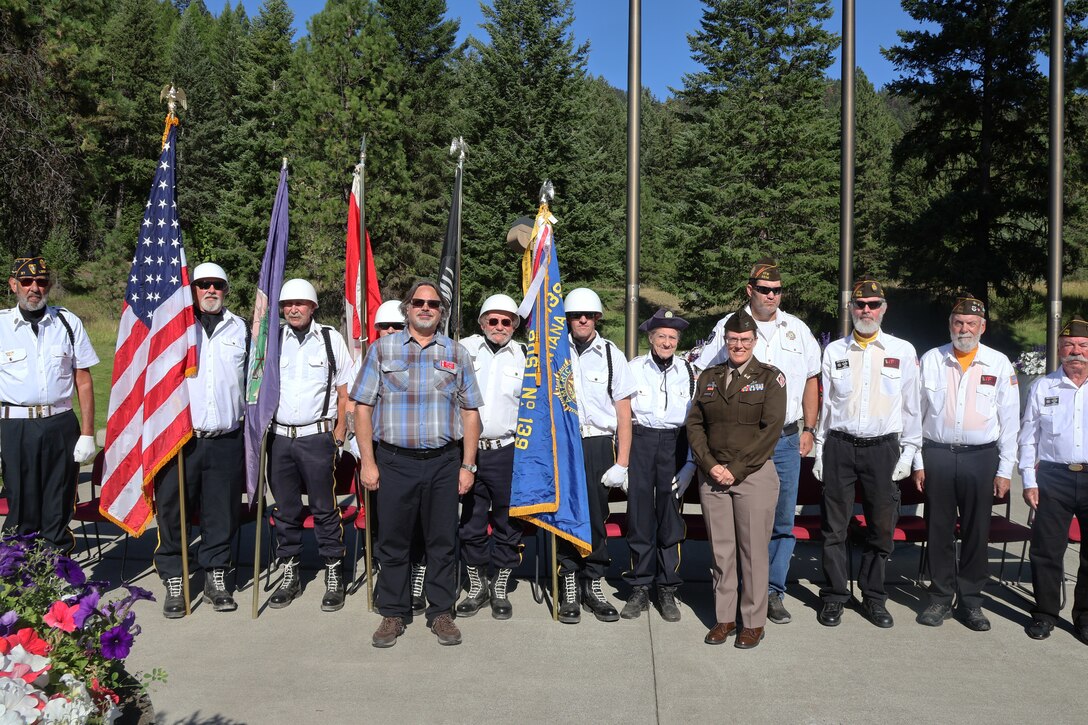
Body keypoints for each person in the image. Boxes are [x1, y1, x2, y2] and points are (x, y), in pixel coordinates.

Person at [353, 279, 483, 647]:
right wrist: (367, 461)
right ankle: (392, 613)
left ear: (441, 313)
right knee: (393, 541)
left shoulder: (457, 354)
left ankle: (441, 612)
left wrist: (467, 465)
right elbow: (362, 408)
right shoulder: (382, 350)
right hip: (394, 461)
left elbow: (471, 413)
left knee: (442, 540)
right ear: (407, 308)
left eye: (434, 304)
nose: (426, 308)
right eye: (419, 302)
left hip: (444, 463)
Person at [694, 258, 820, 625]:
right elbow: (705, 376)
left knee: (780, 522)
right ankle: (734, 597)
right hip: (734, 445)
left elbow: (811, 379)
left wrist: (810, 428)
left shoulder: (797, 330)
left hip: (783, 441)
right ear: (750, 290)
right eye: (764, 290)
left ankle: (772, 593)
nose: (771, 295)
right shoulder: (728, 328)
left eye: (777, 290)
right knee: (736, 528)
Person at [813, 277, 921, 628]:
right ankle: (833, 596)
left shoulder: (902, 351)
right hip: (840, 446)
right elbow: (826, 407)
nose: (866, 310)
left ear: (883, 309)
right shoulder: (834, 351)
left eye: (873, 304)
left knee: (881, 528)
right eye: (860, 305)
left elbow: (912, 408)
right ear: (851, 308)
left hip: (883, 448)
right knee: (834, 529)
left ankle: (873, 596)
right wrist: (818, 450)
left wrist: (908, 454)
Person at [912, 294, 1018, 631]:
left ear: (982, 327)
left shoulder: (999, 364)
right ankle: (940, 598)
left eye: (971, 324)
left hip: (980, 456)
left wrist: (1005, 470)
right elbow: (915, 414)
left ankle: (971, 601)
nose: (964, 329)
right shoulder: (931, 360)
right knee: (939, 529)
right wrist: (917, 461)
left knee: (977, 531)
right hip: (938, 454)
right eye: (958, 323)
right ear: (950, 325)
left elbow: (1011, 421)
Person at [686, 308, 786, 649]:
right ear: (725, 341)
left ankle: (753, 622)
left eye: (745, 340)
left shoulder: (771, 378)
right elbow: (695, 425)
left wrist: (736, 469)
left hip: (753, 475)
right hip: (713, 476)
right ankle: (725, 618)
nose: (738, 345)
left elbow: (770, 431)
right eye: (733, 340)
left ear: (755, 341)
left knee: (753, 552)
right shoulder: (709, 377)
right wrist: (710, 464)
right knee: (721, 552)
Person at [153, 263, 248, 618]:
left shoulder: (242, 329)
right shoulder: (174, 329)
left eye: (217, 285)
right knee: (173, 511)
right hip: (181, 440)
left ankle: (216, 577)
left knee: (221, 513)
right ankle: (175, 577)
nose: (211, 290)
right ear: (192, 289)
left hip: (225, 438)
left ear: (226, 289)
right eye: (203, 284)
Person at [0, 256, 98, 550]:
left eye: (41, 282)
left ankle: (57, 575)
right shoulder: (2, 326)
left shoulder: (67, 322)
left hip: (60, 424)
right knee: (21, 508)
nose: (34, 288)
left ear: (49, 286)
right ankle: (19, 579)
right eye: (27, 282)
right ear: (13, 284)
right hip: (16, 427)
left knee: (59, 503)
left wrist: (88, 433)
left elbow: (83, 380)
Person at [266, 278, 352, 612]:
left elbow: (345, 393)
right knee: (285, 509)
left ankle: (334, 570)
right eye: (288, 304)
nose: (293, 309)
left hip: (318, 438)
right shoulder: (272, 341)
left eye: (300, 303)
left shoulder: (330, 339)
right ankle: (290, 572)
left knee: (323, 508)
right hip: (280, 439)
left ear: (313, 307)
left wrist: (339, 436)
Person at [557, 287, 636, 624]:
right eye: (576, 315)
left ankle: (594, 580)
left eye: (588, 314)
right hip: (563, 442)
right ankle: (569, 580)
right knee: (563, 514)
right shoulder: (554, 352)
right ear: (568, 319)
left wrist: (622, 463)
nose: (583, 320)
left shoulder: (610, 354)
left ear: (598, 318)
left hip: (597, 443)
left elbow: (624, 412)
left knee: (595, 513)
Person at [622, 308, 696, 622]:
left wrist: (690, 463)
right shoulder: (633, 368)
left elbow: (696, 422)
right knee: (639, 517)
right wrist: (622, 462)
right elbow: (621, 417)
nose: (667, 342)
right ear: (651, 338)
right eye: (661, 336)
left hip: (675, 444)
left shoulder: (691, 372)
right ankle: (639, 586)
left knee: (670, 520)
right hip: (641, 441)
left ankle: (667, 588)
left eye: (672, 337)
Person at [455, 294, 526, 620]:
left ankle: (500, 584)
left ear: (515, 324)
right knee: (470, 521)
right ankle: (476, 584)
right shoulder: (463, 349)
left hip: (508, 451)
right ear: (482, 322)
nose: (500, 327)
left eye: (506, 321)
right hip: (467, 451)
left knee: (506, 523)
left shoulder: (525, 355)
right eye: (493, 321)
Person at [1019, 314, 1088, 643]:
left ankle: (1085, 616)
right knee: (1046, 550)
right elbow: (1028, 437)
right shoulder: (1042, 387)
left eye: (1082, 345)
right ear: (1059, 350)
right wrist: (1028, 480)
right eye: (1069, 345)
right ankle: (1045, 613)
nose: (1076, 351)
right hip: (1053, 477)